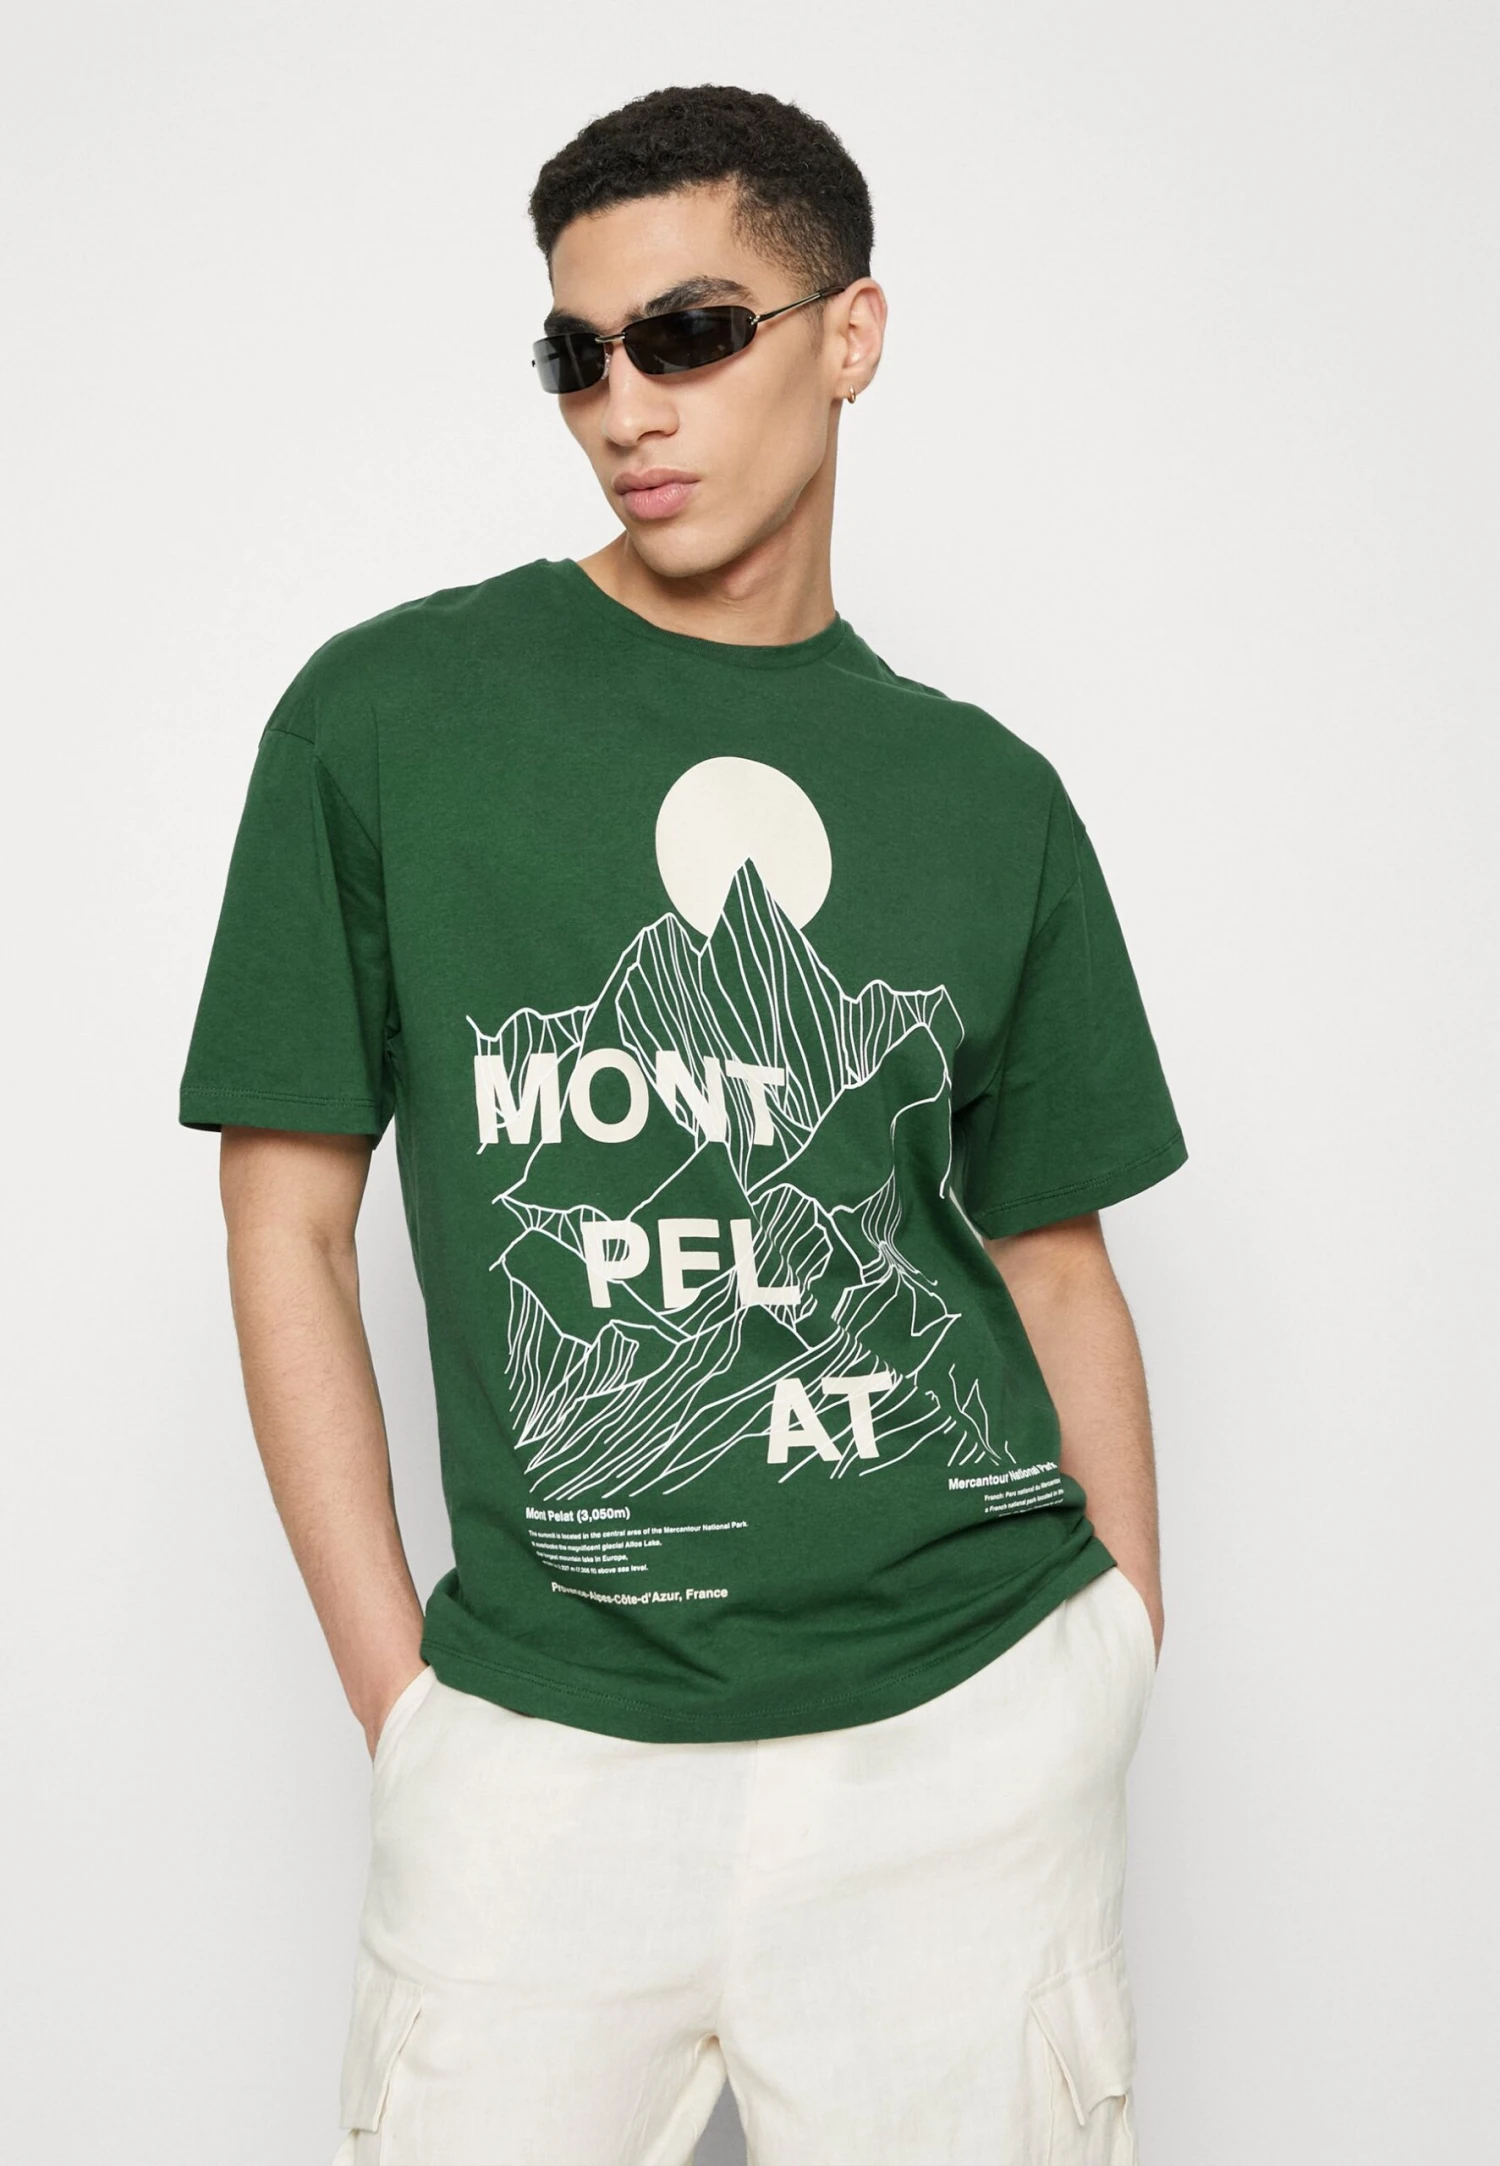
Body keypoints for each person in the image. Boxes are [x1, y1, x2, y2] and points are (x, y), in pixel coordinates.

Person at [179, 81, 1187, 2166]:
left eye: (691, 333)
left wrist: (1109, 1659)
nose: (625, 405)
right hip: (539, 1755)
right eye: (578, 353)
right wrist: (408, 1709)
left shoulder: (986, 795)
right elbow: (283, 1223)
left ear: (850, 334)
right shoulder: (387, 719)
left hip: (965, 1737)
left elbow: (1052, 1259)